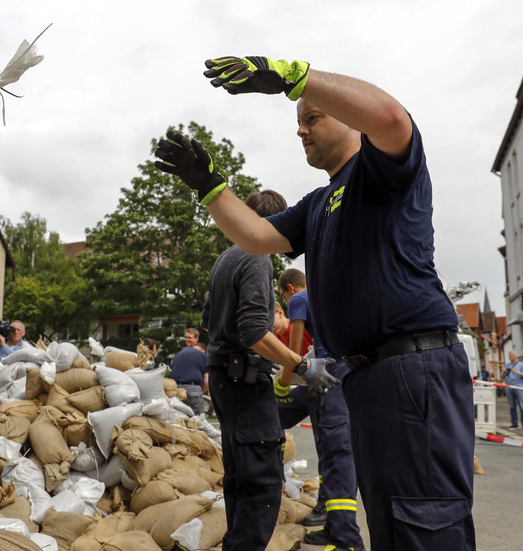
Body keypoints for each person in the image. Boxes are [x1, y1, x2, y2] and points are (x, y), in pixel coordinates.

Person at [155, 54, 475, 550]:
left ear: (349, 120)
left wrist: (293, 76)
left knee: (425, 521)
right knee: (393, 521)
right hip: (370, 376)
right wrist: (209, 185)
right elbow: (258, 235)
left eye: (313, 117)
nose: (301, 130)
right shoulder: (320, 201)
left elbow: (391, 118)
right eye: (298, 122)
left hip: (414, 367)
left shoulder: (382, 170)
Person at [197, 190, 339, 551]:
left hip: (225, 379)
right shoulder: (257, 257)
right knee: (260, 484)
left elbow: (210, 322)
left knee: (240, 480)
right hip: (244, 381)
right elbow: (251, 331)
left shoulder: (225, 259)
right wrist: (303, 365)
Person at [274, 269, 364, 551]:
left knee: (338, 455)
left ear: (288, 288)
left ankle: (347, 540)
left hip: (331, 377)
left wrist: (282, 384)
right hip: (336, 375)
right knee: (329, 453)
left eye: (283, 296)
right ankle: (334, 527)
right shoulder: (325, 297)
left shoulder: (299, 298)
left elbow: (295, 351)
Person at [167, 328, 209, 416]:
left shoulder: (180, 354)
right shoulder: (202, 355)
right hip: (193, 389)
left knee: (181, 420)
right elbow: (207, 381)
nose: (187, 340)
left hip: (176, 390)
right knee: (198, 421)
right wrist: (201, 391)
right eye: (186, 337)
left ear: (196, 338)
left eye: (189, 338)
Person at [503, 351, 523, 429]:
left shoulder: (521, 365)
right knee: (512, 406)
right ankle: (514, 423)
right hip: (509, 387)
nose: (510, 356)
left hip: (519, 387)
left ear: (515, 356)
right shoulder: (507, 365)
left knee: (522, 405)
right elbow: (502, 377)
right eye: (509, 355)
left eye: (511, 355)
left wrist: (516, 372)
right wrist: (504, 372)